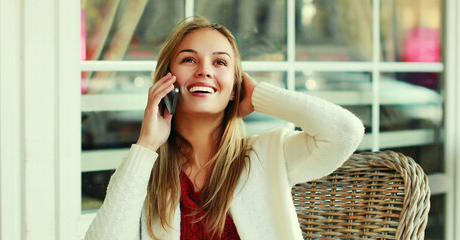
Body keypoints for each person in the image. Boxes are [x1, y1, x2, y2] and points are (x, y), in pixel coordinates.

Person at [85, 16, 364, 240]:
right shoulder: (145, 167)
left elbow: (344, 132)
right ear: (166, 81)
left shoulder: (265, 156)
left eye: (220, 62)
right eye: (189, 59)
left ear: (234, 87)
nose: (204, 70)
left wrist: (258, 96)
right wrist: (146, 145)